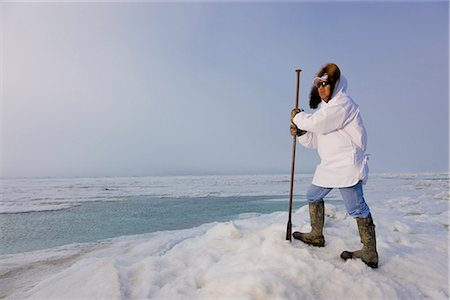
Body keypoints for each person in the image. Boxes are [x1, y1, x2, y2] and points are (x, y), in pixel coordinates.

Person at [289, 63, 378, 268]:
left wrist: (298, 118)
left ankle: (370, 252)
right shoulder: (325, 110)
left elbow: (319, 123)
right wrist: (302, 133)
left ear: (336, 85)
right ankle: (316, 235)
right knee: (313, 195)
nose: (321, 88)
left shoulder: (343, 104)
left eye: (325, 84)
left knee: (356, 207)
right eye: (319, 85)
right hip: (329, 165)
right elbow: (316, 140)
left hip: (347, 165)